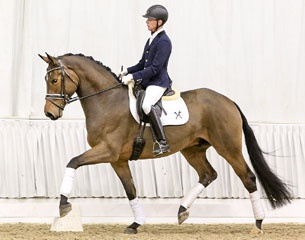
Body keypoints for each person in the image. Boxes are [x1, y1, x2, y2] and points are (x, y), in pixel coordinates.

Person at [120, 4, 172, 156]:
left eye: (150, 19)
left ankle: (162, 142)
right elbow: (142, 64)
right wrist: (127, 71)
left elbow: (155, 68)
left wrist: (133, 77)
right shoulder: (151, 39)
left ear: (159, 22)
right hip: (148, 81)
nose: (147, 22)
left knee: (147, 106)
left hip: (158, 82)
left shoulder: (164, 42)